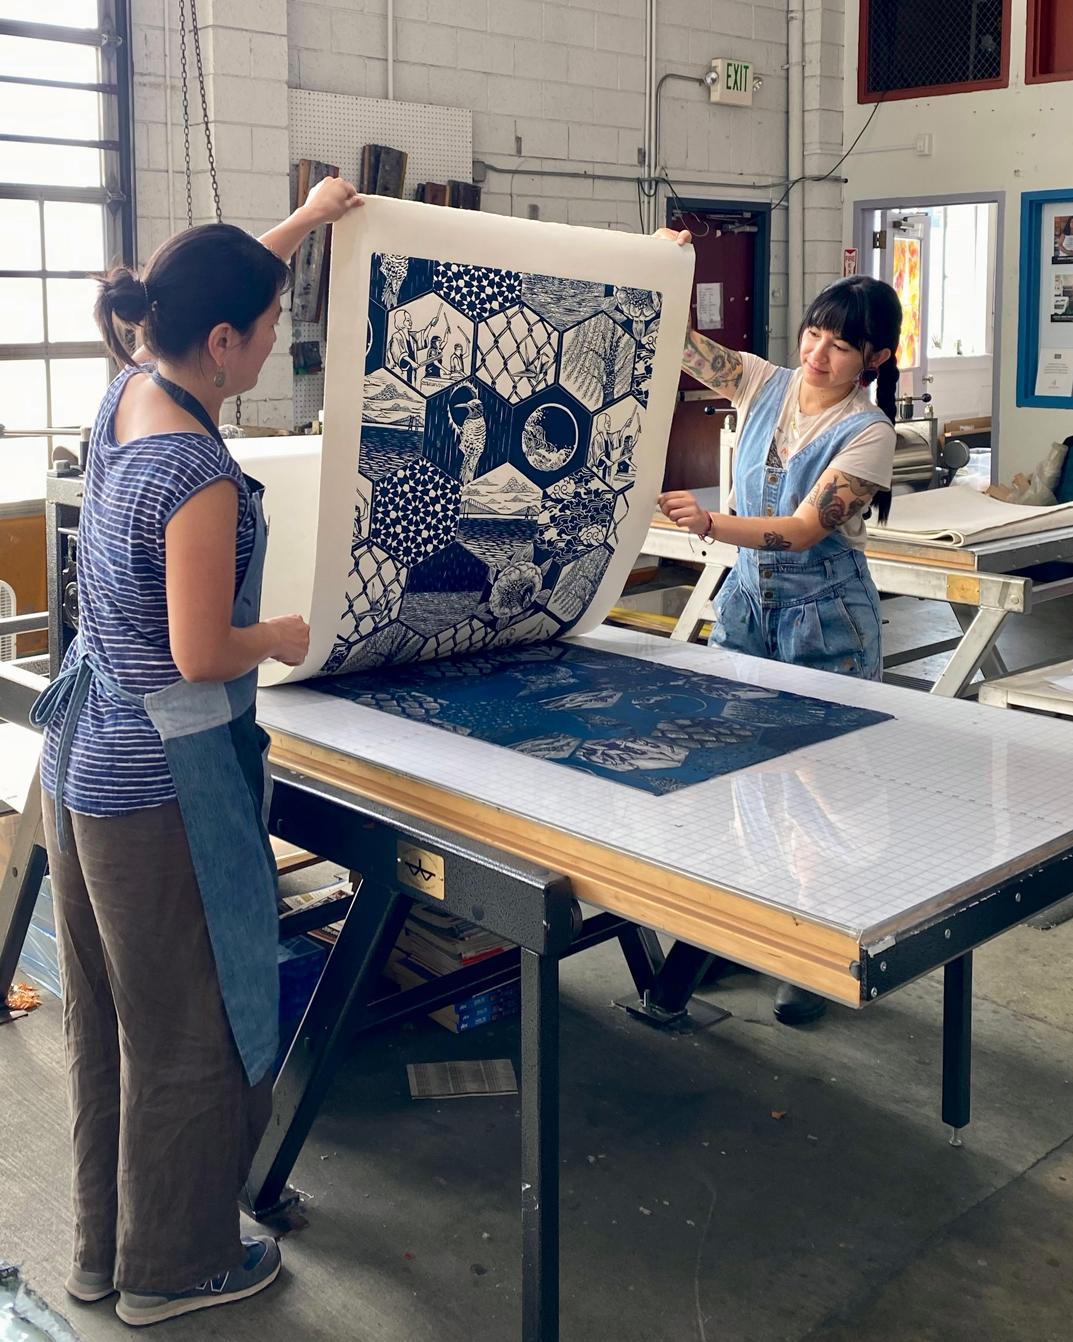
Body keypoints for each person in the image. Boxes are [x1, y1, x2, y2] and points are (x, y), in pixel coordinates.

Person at [30, 176, 362, 1326]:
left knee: (110, 1020)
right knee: (194, 1026)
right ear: (221, 342)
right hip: (158, 782)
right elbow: (197, 648)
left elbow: (191, 289)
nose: (275, 346)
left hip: (82, 762)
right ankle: (174, 1271)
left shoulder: (131, 388)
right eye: (268, 331)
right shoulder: (200, 472)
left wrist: (308, 221)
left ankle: (103, 1253)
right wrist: (282, 632)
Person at [655, 227, 901, 1026]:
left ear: (876, 359)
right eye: (813, 334)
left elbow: (802, 529)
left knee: (822, 789)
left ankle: (815, 956)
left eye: (839, 346)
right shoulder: (763, 383)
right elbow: (681, 344)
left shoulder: (868, 434)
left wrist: (710, 522)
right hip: (748, 605)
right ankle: (747, 935)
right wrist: (668, 264)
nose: (818, 355)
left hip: (822, 616)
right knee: (742, 772)